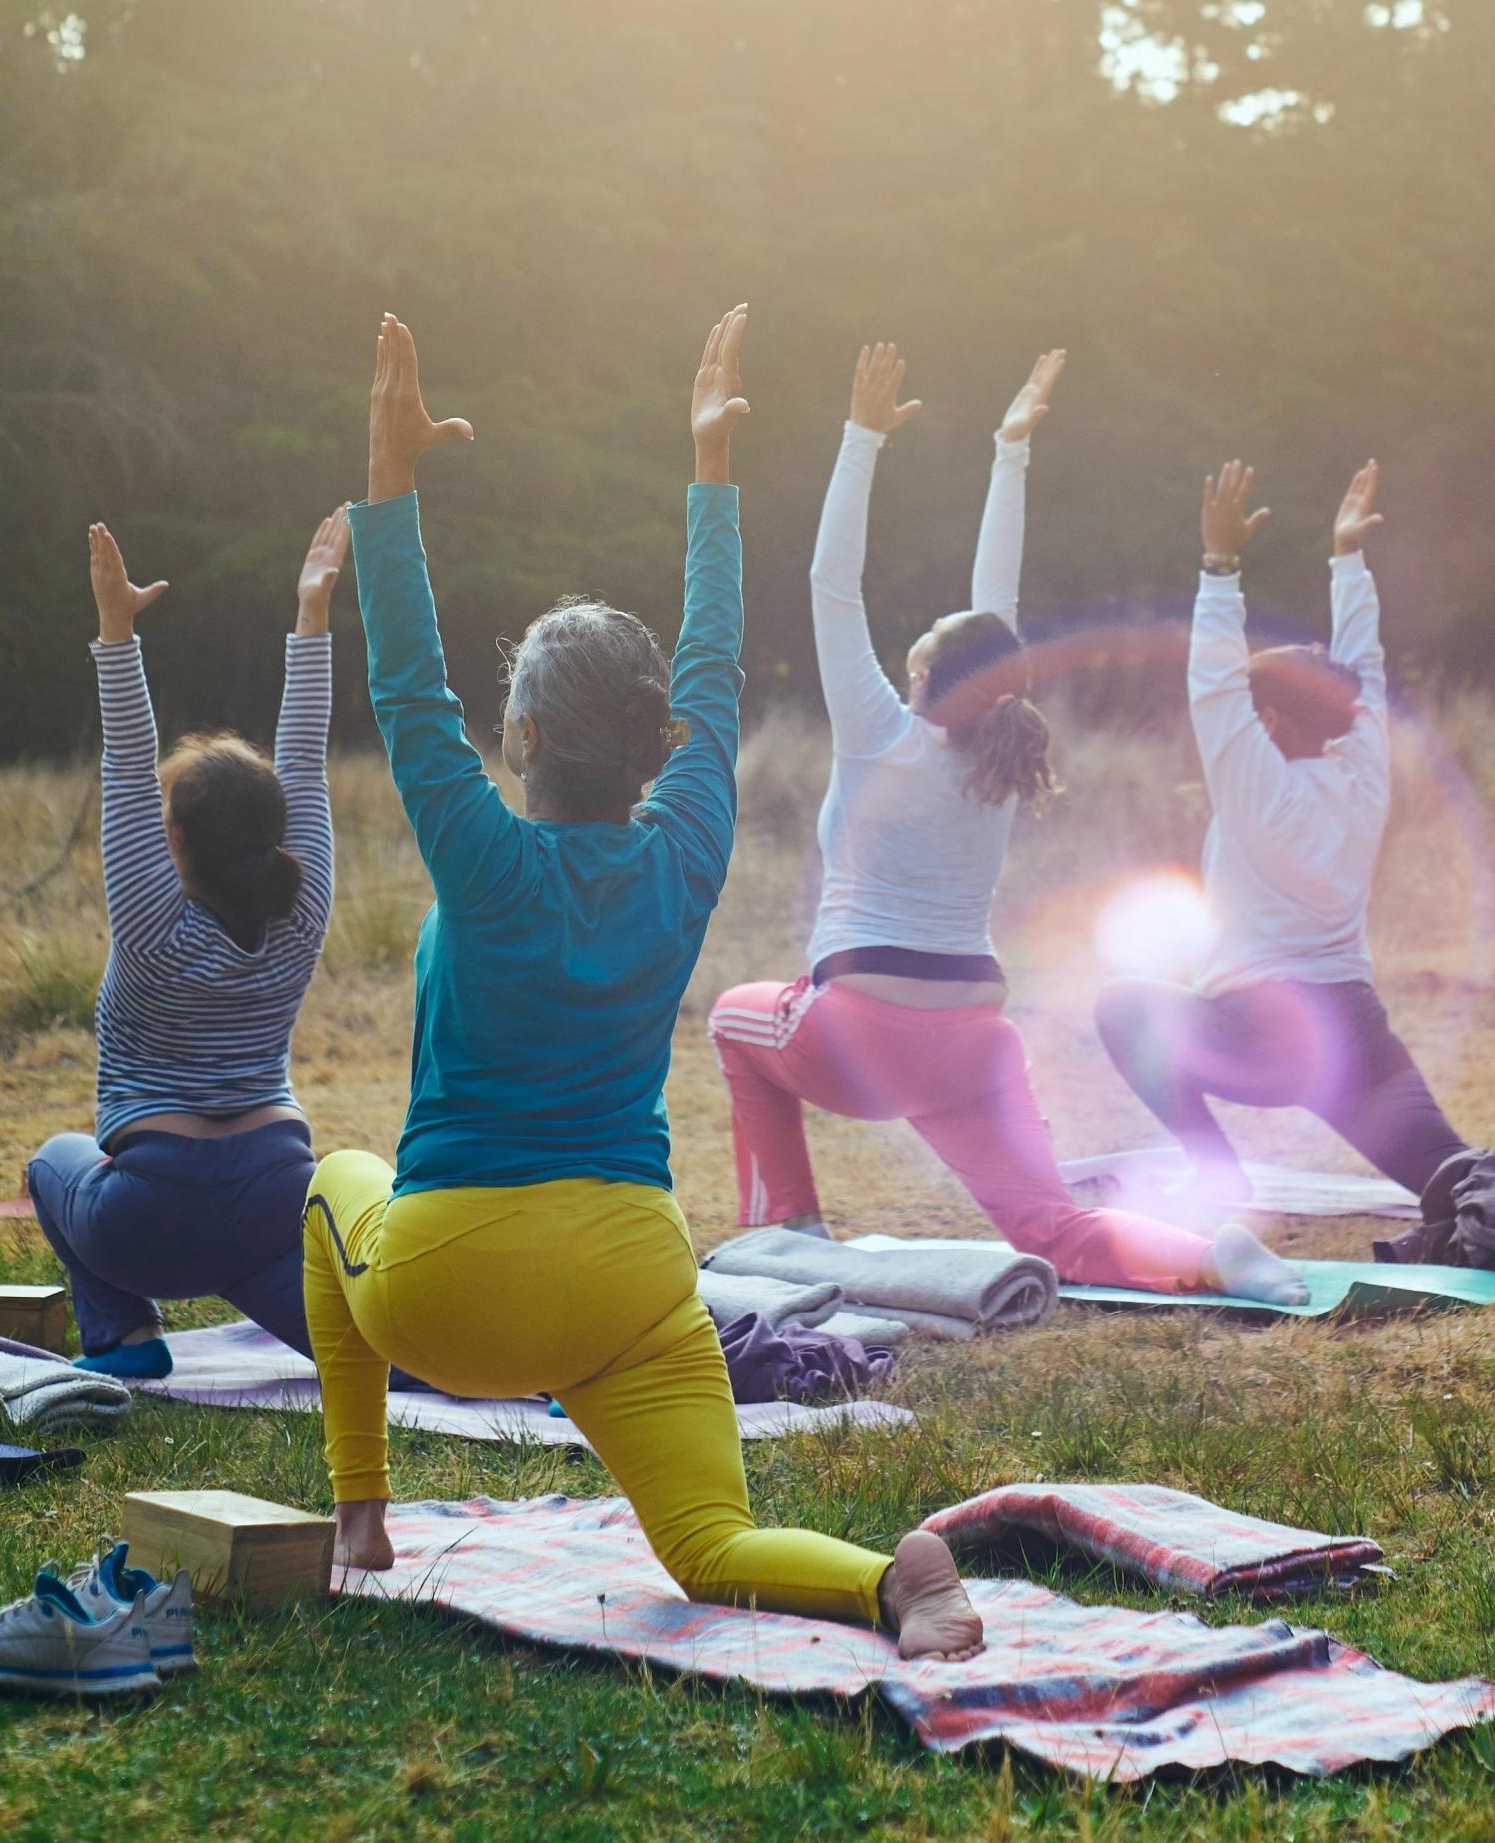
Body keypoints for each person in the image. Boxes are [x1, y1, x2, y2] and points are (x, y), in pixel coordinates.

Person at [302, 308, 981, 1659]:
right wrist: (712, 478)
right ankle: (892, 1579)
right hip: (631, 1277)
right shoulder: (684, 856)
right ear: (654, 741)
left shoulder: (483, 854)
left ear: (528, 736)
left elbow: (406, 685)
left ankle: (361, 1511)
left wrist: (390, 489)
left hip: (452, 1288)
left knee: (331, 1176)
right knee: (707, 1545)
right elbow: (715, 676)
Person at [707, 346, 1305, 1305]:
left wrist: (861, 437)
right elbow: (1000, 610)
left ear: (920, 676)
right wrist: (1009, 452)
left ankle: (790, 1230)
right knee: (1052, 1225)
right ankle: (1218, 1254)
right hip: (975, 1039)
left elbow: (832, 581)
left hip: (857, 1035)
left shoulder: (881, 734)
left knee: (734, 1020)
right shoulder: (996, 753)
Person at [1094, 459, 1470, 1211]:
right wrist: (1347, 560)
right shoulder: (1363, 774)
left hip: (1257, 1038)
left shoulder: (1254, 788)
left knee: (1122, 1006)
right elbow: (1365, 667)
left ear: (1269, 722)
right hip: (1354, 1039)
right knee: (1462, 1182)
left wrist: (1220, 565)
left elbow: (1212, 686)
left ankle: (1216, 1172)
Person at [24, 508, 347, 1379]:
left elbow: (128, 762)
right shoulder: (304, 907)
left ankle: (126, 1337)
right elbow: (306, 759)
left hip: (149, 1219)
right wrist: (312, 618)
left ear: (171, 843)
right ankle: (507, 1361)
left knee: (51, 1161)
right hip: (277, 1202)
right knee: (374, 1351)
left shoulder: (149, 925)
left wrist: (117, 629)